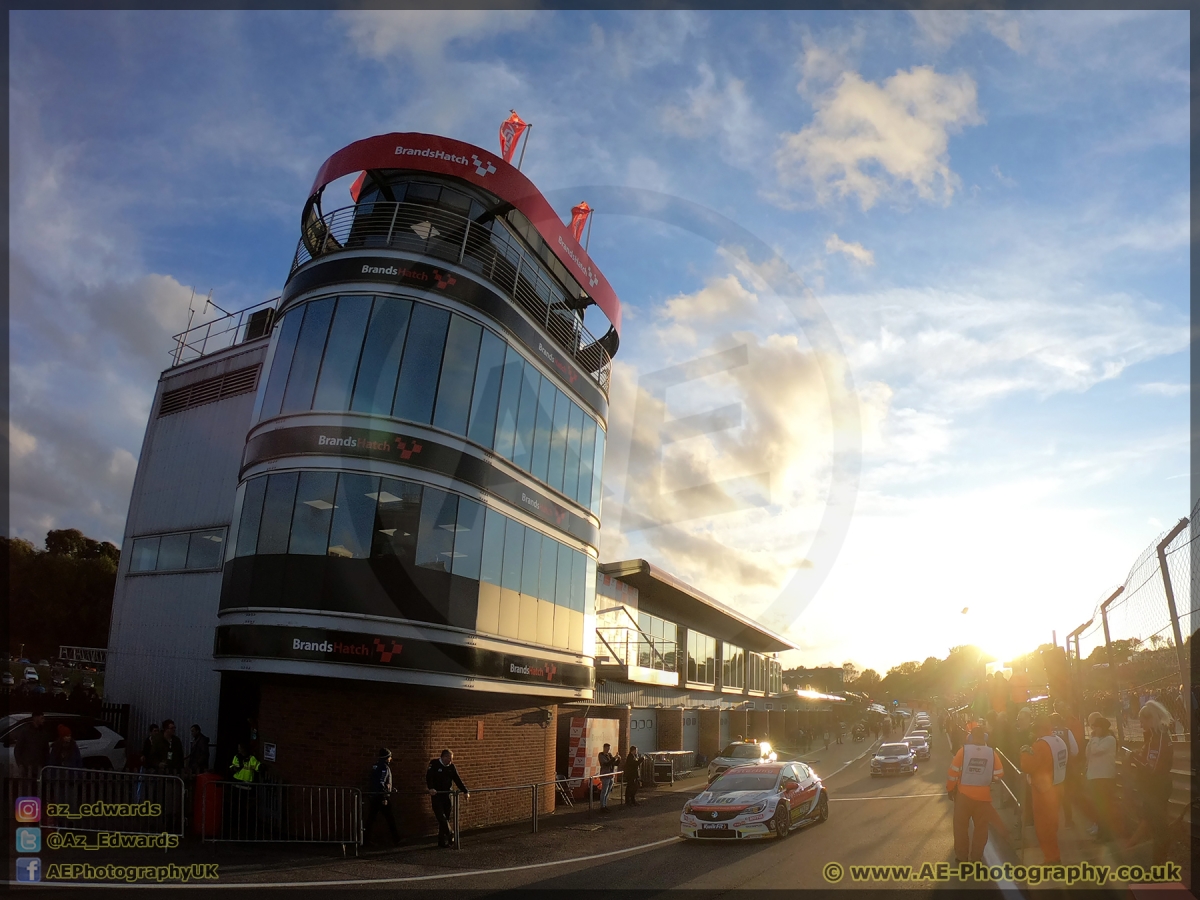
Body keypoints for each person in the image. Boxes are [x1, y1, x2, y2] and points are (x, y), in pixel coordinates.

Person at [1123, 700, 1175, 864]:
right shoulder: (1154, 737)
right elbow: (1149, 760)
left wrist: (1132, 758)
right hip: (1153, 788)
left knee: (1159, 829)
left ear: (1150, 719)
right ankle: (1156, 863)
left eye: (1142, 721)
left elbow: (1152, 769)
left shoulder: (1159, 738)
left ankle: (1159, 868)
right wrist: (1137, 755)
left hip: (1157, 788)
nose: (1140, 725)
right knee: (1152, 825)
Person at [945, 726, 1005, 862]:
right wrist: (987, 777)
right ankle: (976, 857)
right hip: (983, 798)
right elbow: (999, 773)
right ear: (984, 737)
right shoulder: (992, 753)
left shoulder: (963, 752)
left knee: (960, 828)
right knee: (981, 830)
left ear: (970, 737)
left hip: (963, 796)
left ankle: (961, 857)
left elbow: (952, 773)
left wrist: (950, 789)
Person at [1021, 716, 1067, 864]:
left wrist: (1024, 753)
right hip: (1058, 785)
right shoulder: (1059, 741)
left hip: (1043, 790)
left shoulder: (1040, 745)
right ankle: (1054, 853)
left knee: (1043, 826)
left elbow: (1027, 766)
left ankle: (1051, 857)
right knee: (1053, 823)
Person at [1085, 715, 1120, 842]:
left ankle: (1107, 835)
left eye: (1097, 727)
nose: (1095, 730)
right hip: (1094, 776)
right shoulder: (1096, 739)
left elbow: (1096, 751)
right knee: (1098, 807)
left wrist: (1093, 739)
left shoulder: (1109, 739)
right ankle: (1101, 833)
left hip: (1105, 777)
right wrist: (1092, 740)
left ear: (1102, 728)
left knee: (1105, 807)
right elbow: (1088, 753)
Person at [427, 749, 469, 848]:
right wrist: (431, 788)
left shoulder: (451, 767)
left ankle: (441, 842)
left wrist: (465, 791)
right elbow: (429, 777)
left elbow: (457, 780)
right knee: (441, 817)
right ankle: (450, 834)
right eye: (449, 759)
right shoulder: (434, 764)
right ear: (443, 757)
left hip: (447, 795)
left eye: (451, 759)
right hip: (437, 795)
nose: (450, 761)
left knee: (446, 817)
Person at [1049, 710, 1081, 826]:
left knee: (1051, 795)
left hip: (1050, 769)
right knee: (1066, 795)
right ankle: (1068, 821)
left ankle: (1053, 821)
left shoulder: (1048, 733)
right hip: (1065, 768)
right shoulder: (1067, 731)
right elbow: (1075, 750)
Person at [365, 748, 400, 847]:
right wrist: (385, 796)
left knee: (371, 819)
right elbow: (381, 782)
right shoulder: (384, 767)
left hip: (374, 795)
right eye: (389, 757)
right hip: (381, 797)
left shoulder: (375, 766)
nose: (390, 759)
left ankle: (365, 839)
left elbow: (374, 782)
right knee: (390, 818)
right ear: (386, 758)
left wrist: (390, 788)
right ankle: (396, 839)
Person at [14, 711, 49, 781]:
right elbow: (17, 749)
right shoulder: (25, 732)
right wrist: (21, 764)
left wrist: (45, 765)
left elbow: (46, 751)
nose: (43, 720)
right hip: (27, 767)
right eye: (41, 718)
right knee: (27, 787)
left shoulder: (43, 733)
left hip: (39, 767)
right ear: (35, 718)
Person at [597, 743, 619, 813]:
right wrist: (614, 758)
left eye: (609, 748)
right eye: (607, 748)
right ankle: (602, 806)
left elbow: (614, 763)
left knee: (608, 791)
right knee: (604, 791)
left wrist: (618, 759)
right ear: (604, 748)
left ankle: (605, 805)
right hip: (605, 775)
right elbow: (606, 763)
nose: (608, 750)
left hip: (611, 775)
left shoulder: (609, 755)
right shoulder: (601, 755)